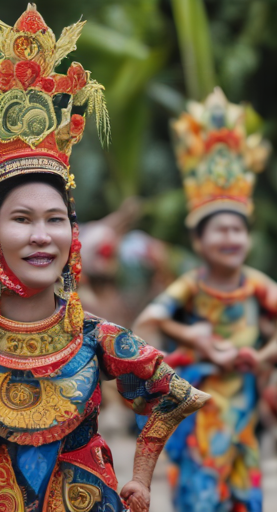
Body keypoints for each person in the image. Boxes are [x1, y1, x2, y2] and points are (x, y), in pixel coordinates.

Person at [0, 6, 209, 512]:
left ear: (74, 233)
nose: (42, 236)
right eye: (21, 219)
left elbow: (176, 395)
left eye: (55, 219)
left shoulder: (98, 338)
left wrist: (140, 477)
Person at [133, 87, 274, 512]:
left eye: (238, 230)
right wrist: (194, 338)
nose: (231, 238)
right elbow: (147, 324)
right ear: (197, 238)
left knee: (242, 489)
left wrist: (264, 355)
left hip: (244, 403)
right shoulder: (190, 286)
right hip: (199, 405)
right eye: (221, 230)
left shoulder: (256, 284)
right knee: (199, 488)